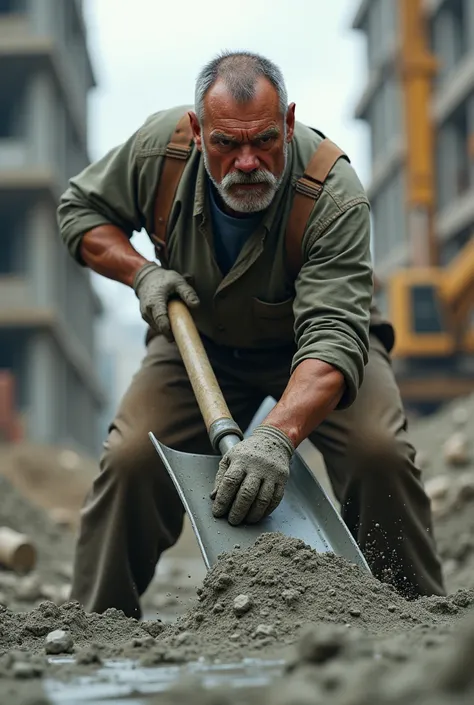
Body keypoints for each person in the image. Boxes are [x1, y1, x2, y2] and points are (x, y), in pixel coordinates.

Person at [57, 50, 444, 619]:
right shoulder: (158, 154)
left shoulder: (331, 193)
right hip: (200, 342)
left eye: (263, 141)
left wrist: (277, 437)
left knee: (377, 453)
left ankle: (418, 621)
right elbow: (80, 211)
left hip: (311, 353)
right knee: (132, 459)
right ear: (196, 132)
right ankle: (94, 625)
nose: (245, 162)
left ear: (287, 124)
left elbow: (335, 337)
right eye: (225, 145)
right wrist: (141, 273)